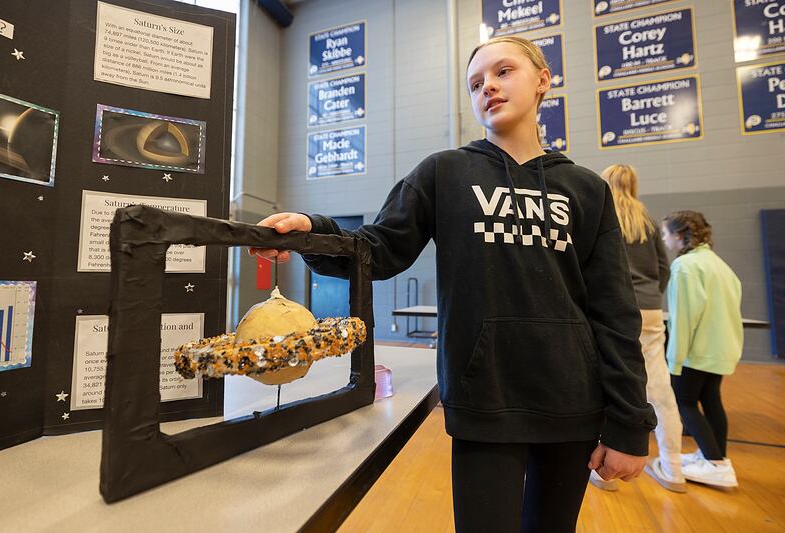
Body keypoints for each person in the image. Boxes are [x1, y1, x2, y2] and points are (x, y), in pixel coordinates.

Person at [251, 36, 655, 532]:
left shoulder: (587, 189)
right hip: (483, 399)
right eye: (476, 82)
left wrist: (630, 422)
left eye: (503, 72)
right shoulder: (444, 173)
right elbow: (377, 249)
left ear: (543, 81)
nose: (489, 86)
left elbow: (615, 311)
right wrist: (313, 236)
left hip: (571, 402)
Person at [588, 164, 686, 493]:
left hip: (609, 310)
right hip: (649, 310)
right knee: (660, 391)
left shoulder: (599, 211)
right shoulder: (645, 218)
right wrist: (649, 297)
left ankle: (601, 470)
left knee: (601, 384)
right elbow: (662, 268)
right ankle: (673, 467)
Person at [662, 210, 742, 488]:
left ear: (680, 236)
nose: (664, 239)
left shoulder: (684, 266)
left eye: (666, 233)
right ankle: (718, 459)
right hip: (720, 350)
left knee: (684, 402)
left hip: (696, 351)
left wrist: (674, 360)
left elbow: (684, 317)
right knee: (710, 401)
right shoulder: (719, 264)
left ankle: (712, 462)